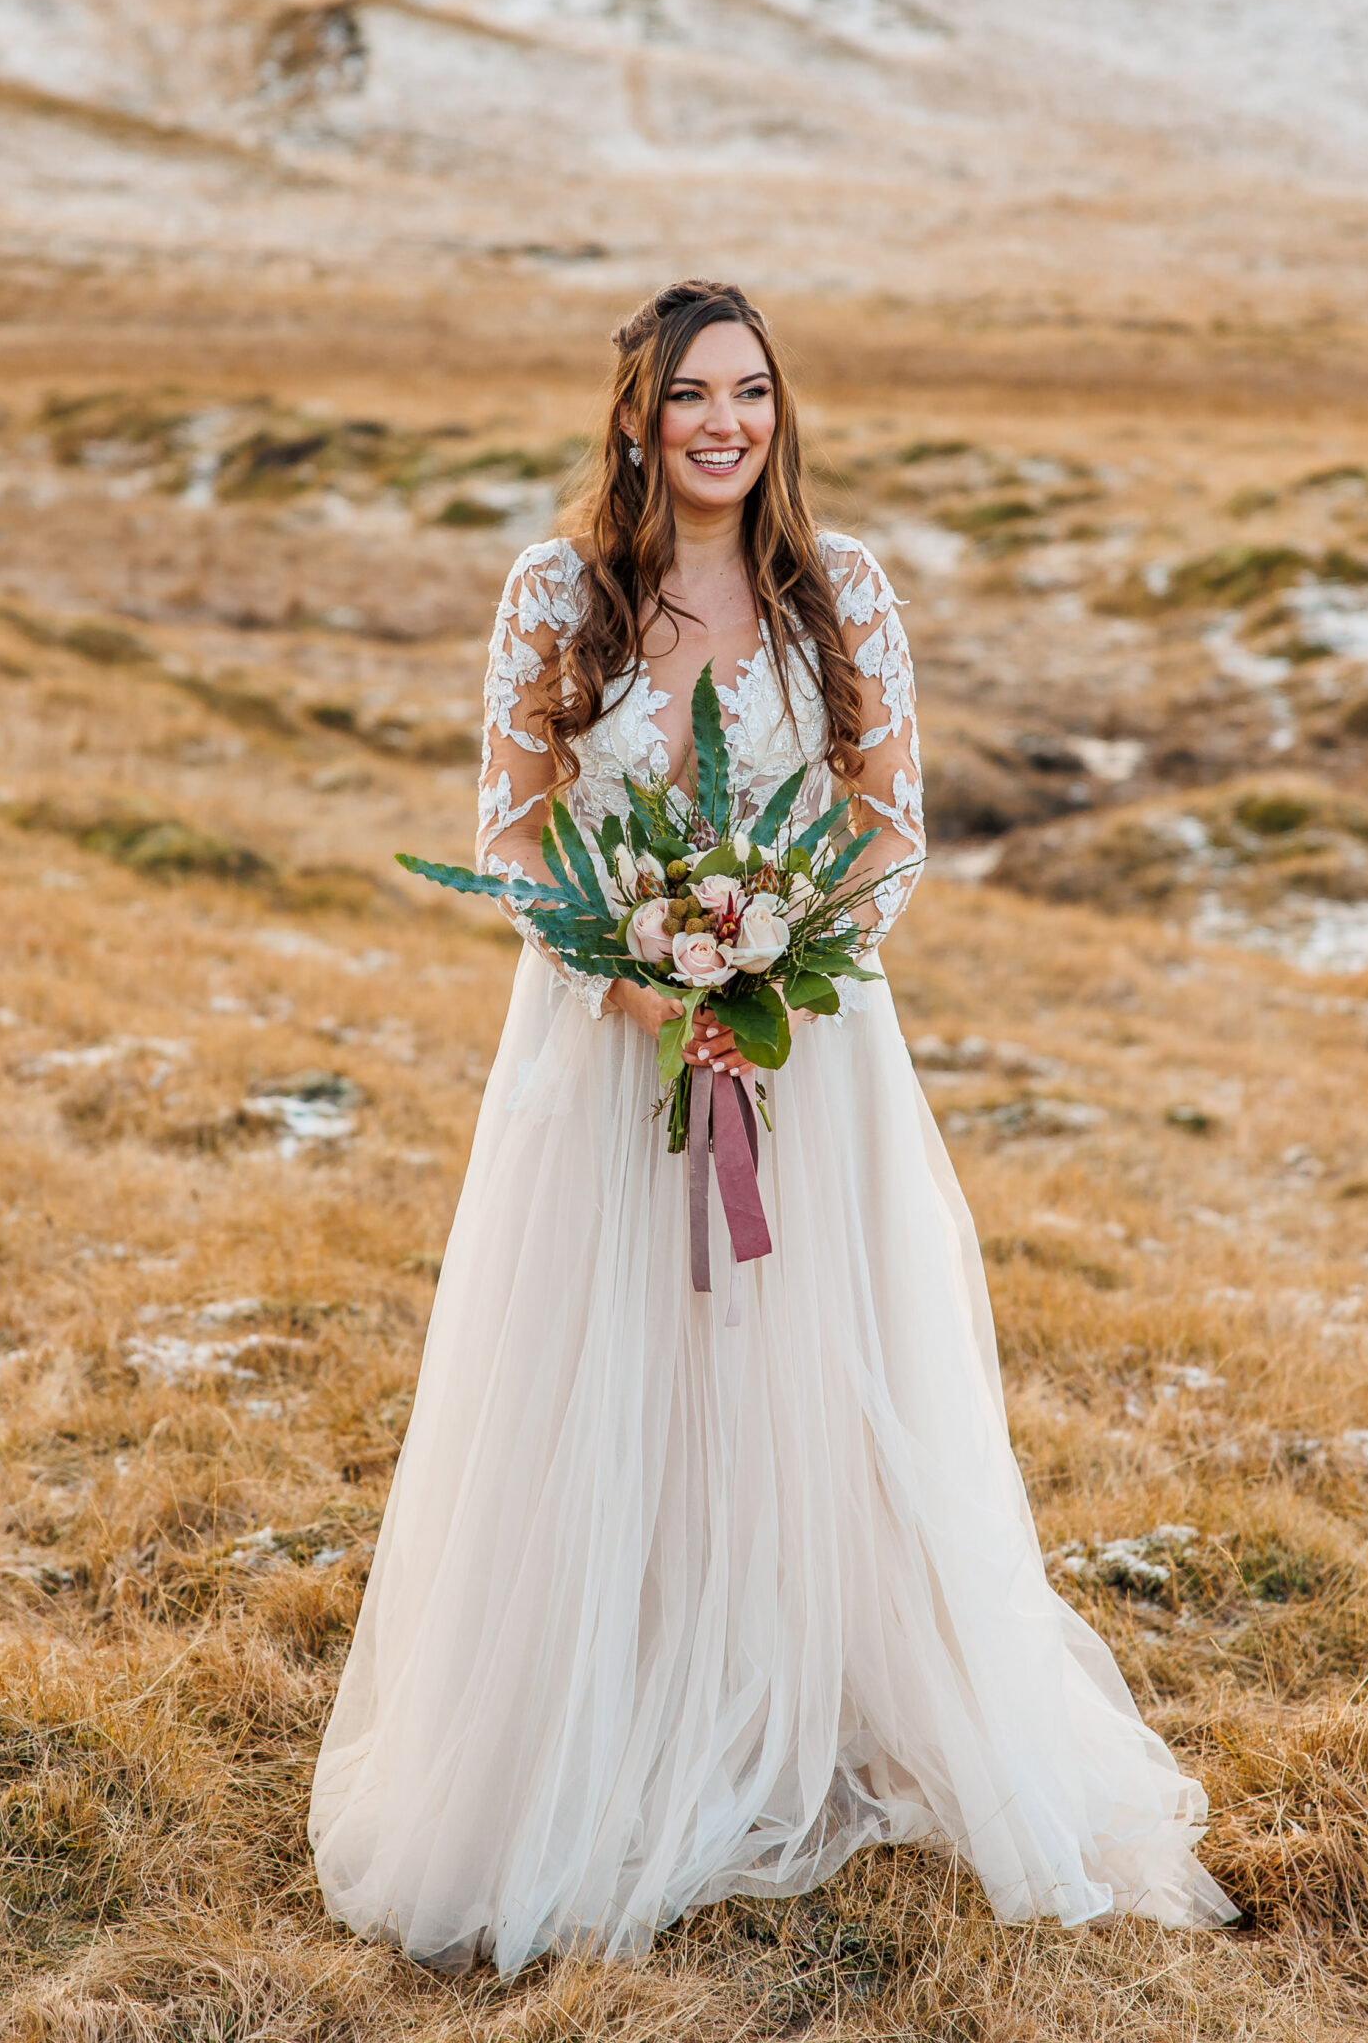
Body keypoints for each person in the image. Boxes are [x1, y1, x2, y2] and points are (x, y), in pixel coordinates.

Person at [310, 279, 1234, 1969]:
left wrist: (779, 964)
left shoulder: (841, 593)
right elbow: (513, 842)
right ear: (639, 418)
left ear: (778, 410)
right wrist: (641, 976)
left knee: (812, 1365)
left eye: (752, 392)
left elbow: (893, 831)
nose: (725, 423)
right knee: (616, 1373)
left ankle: (813, 1702)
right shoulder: (555, 595)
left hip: (811, 1052)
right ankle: (616, 1715)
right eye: (691, 397)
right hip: (603, 1055)